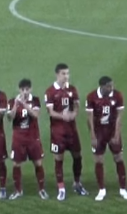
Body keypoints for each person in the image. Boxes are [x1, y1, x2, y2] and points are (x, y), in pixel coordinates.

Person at [45, 63, 88, 200]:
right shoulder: (50, 91)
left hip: (71, 130)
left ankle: (77, 183)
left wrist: (73, 114)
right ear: (57, 74)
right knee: (59, 159)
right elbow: (51, 112)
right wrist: (63, 116)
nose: (66, 76)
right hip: (58, 132)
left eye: (68, 73)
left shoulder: (72, 89)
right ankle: (61, 188)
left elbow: (76, 107)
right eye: (64, 74)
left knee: (77, 156)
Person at [85, 76, 127, 201]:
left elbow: (119, 117)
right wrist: (93, 136)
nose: (111, 88)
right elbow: (90, 118)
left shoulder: (117, 95)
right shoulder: (91, 97)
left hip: (111, 131)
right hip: (99, 132)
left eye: (112, 85)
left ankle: (123, 189)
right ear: (102, 86)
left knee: (118, 157)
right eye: (109, 86)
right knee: (99, 160)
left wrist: (116, 134)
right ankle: (101, 190)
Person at [7, 79, 48, 200]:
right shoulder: (12, 101)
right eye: (22, 89)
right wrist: (15, 104)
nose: (24, 92)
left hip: (33, 138)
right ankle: (18, 190)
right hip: (18, 138)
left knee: (38, 163)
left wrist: (24, 104)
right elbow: (10, 117)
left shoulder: (35, 100)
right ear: (19, 89)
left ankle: (41, 190)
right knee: (16, 164)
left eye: (27, 89)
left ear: (30, 89)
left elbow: (35, 115)